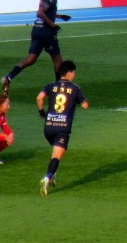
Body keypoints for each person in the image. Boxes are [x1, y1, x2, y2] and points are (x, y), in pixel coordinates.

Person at [1, 0, 71, 93]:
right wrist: (53, 25)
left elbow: (45, 13)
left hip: (37, 30)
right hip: (46, 31)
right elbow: (40, 13)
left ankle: (8, 77)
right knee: (57, 59)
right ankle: (59, 87)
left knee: (31, 59)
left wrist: (59, 16)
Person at [36, 59, 89, 196]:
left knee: (55, 154)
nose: (74, 75)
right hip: (62, 128)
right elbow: (85, 106)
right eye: (74, 72)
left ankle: (52, 176)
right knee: (56, 157)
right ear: (69, 73)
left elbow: (39, 98)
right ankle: (46, 178)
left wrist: (42, 113)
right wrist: (76, 100)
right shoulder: (75, 88)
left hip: (48, 127)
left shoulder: (51, 85)